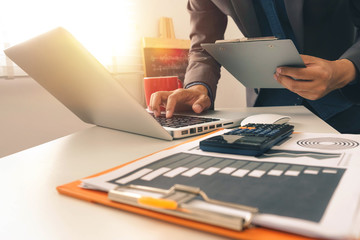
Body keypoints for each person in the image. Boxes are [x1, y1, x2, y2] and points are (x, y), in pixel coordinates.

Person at [149, 0, 360, 134]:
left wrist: (344, 70)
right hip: (265, 114)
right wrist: (197, 87)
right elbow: (203, 46)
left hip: (346, 104)